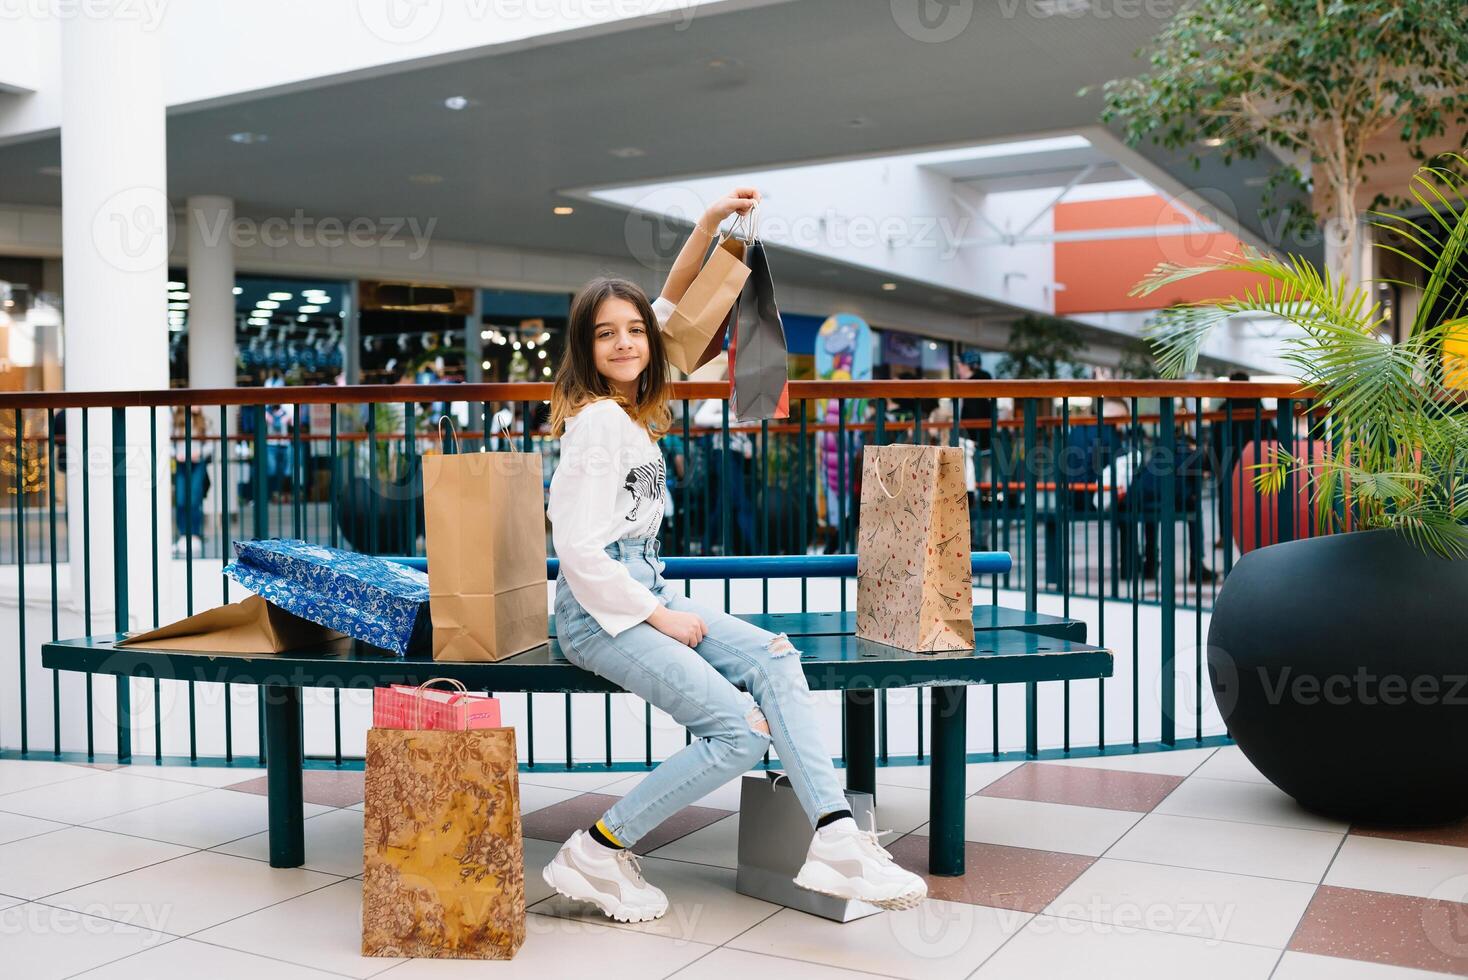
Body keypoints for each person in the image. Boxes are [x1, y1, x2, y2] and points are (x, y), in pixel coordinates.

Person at [541, 187, 926, 923]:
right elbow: (578, 553)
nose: (625, 341)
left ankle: (837, 837)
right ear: (584, 351)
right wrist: (659, 616)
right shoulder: (597, 426)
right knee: (734, 734)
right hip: (604, 611)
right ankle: (595, 849)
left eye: (634, 332)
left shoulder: (629, 402)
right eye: (604, 335)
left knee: (776, 659)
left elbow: (672, 296)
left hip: (642, 587)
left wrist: (711, 226)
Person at [171, 405, 213, 556]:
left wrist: (198, 453)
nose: (198, 405)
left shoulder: (204, 422)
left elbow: (210, 445)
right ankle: (183, 535)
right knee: (181, 500)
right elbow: (169, 443)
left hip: (197, 464)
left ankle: (195, 535)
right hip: (182, 464)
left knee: (194, 500)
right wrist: (176, 454)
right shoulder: (176, 421)